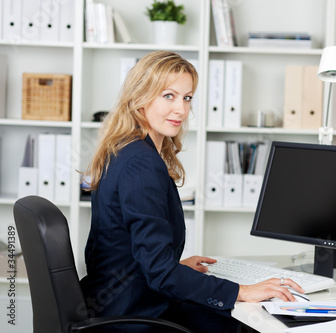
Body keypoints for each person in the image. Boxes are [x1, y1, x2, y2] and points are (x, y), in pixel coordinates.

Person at [80, 50, 304, 333]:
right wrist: (242, 291)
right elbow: (158, 272)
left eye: (187, 98)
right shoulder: (141, 163)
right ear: (139, 98)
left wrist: (175, 266)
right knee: (252, 324)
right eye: (168, 96)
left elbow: (114, 249)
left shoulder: (124, 150)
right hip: (134, 312)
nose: (181, 110)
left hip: (119, 300)